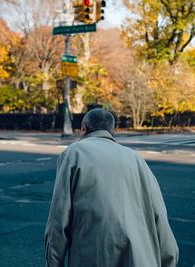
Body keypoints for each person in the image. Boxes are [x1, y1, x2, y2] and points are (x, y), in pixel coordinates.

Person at [45, 108, 179, 267]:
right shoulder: (136, 159)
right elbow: (159, 214)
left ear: (84, 129)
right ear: (112, 131)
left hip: (94, 255)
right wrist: (169, 258)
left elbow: (59, 219)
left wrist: (54, 262)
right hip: (139, 257)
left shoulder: (74, 153)